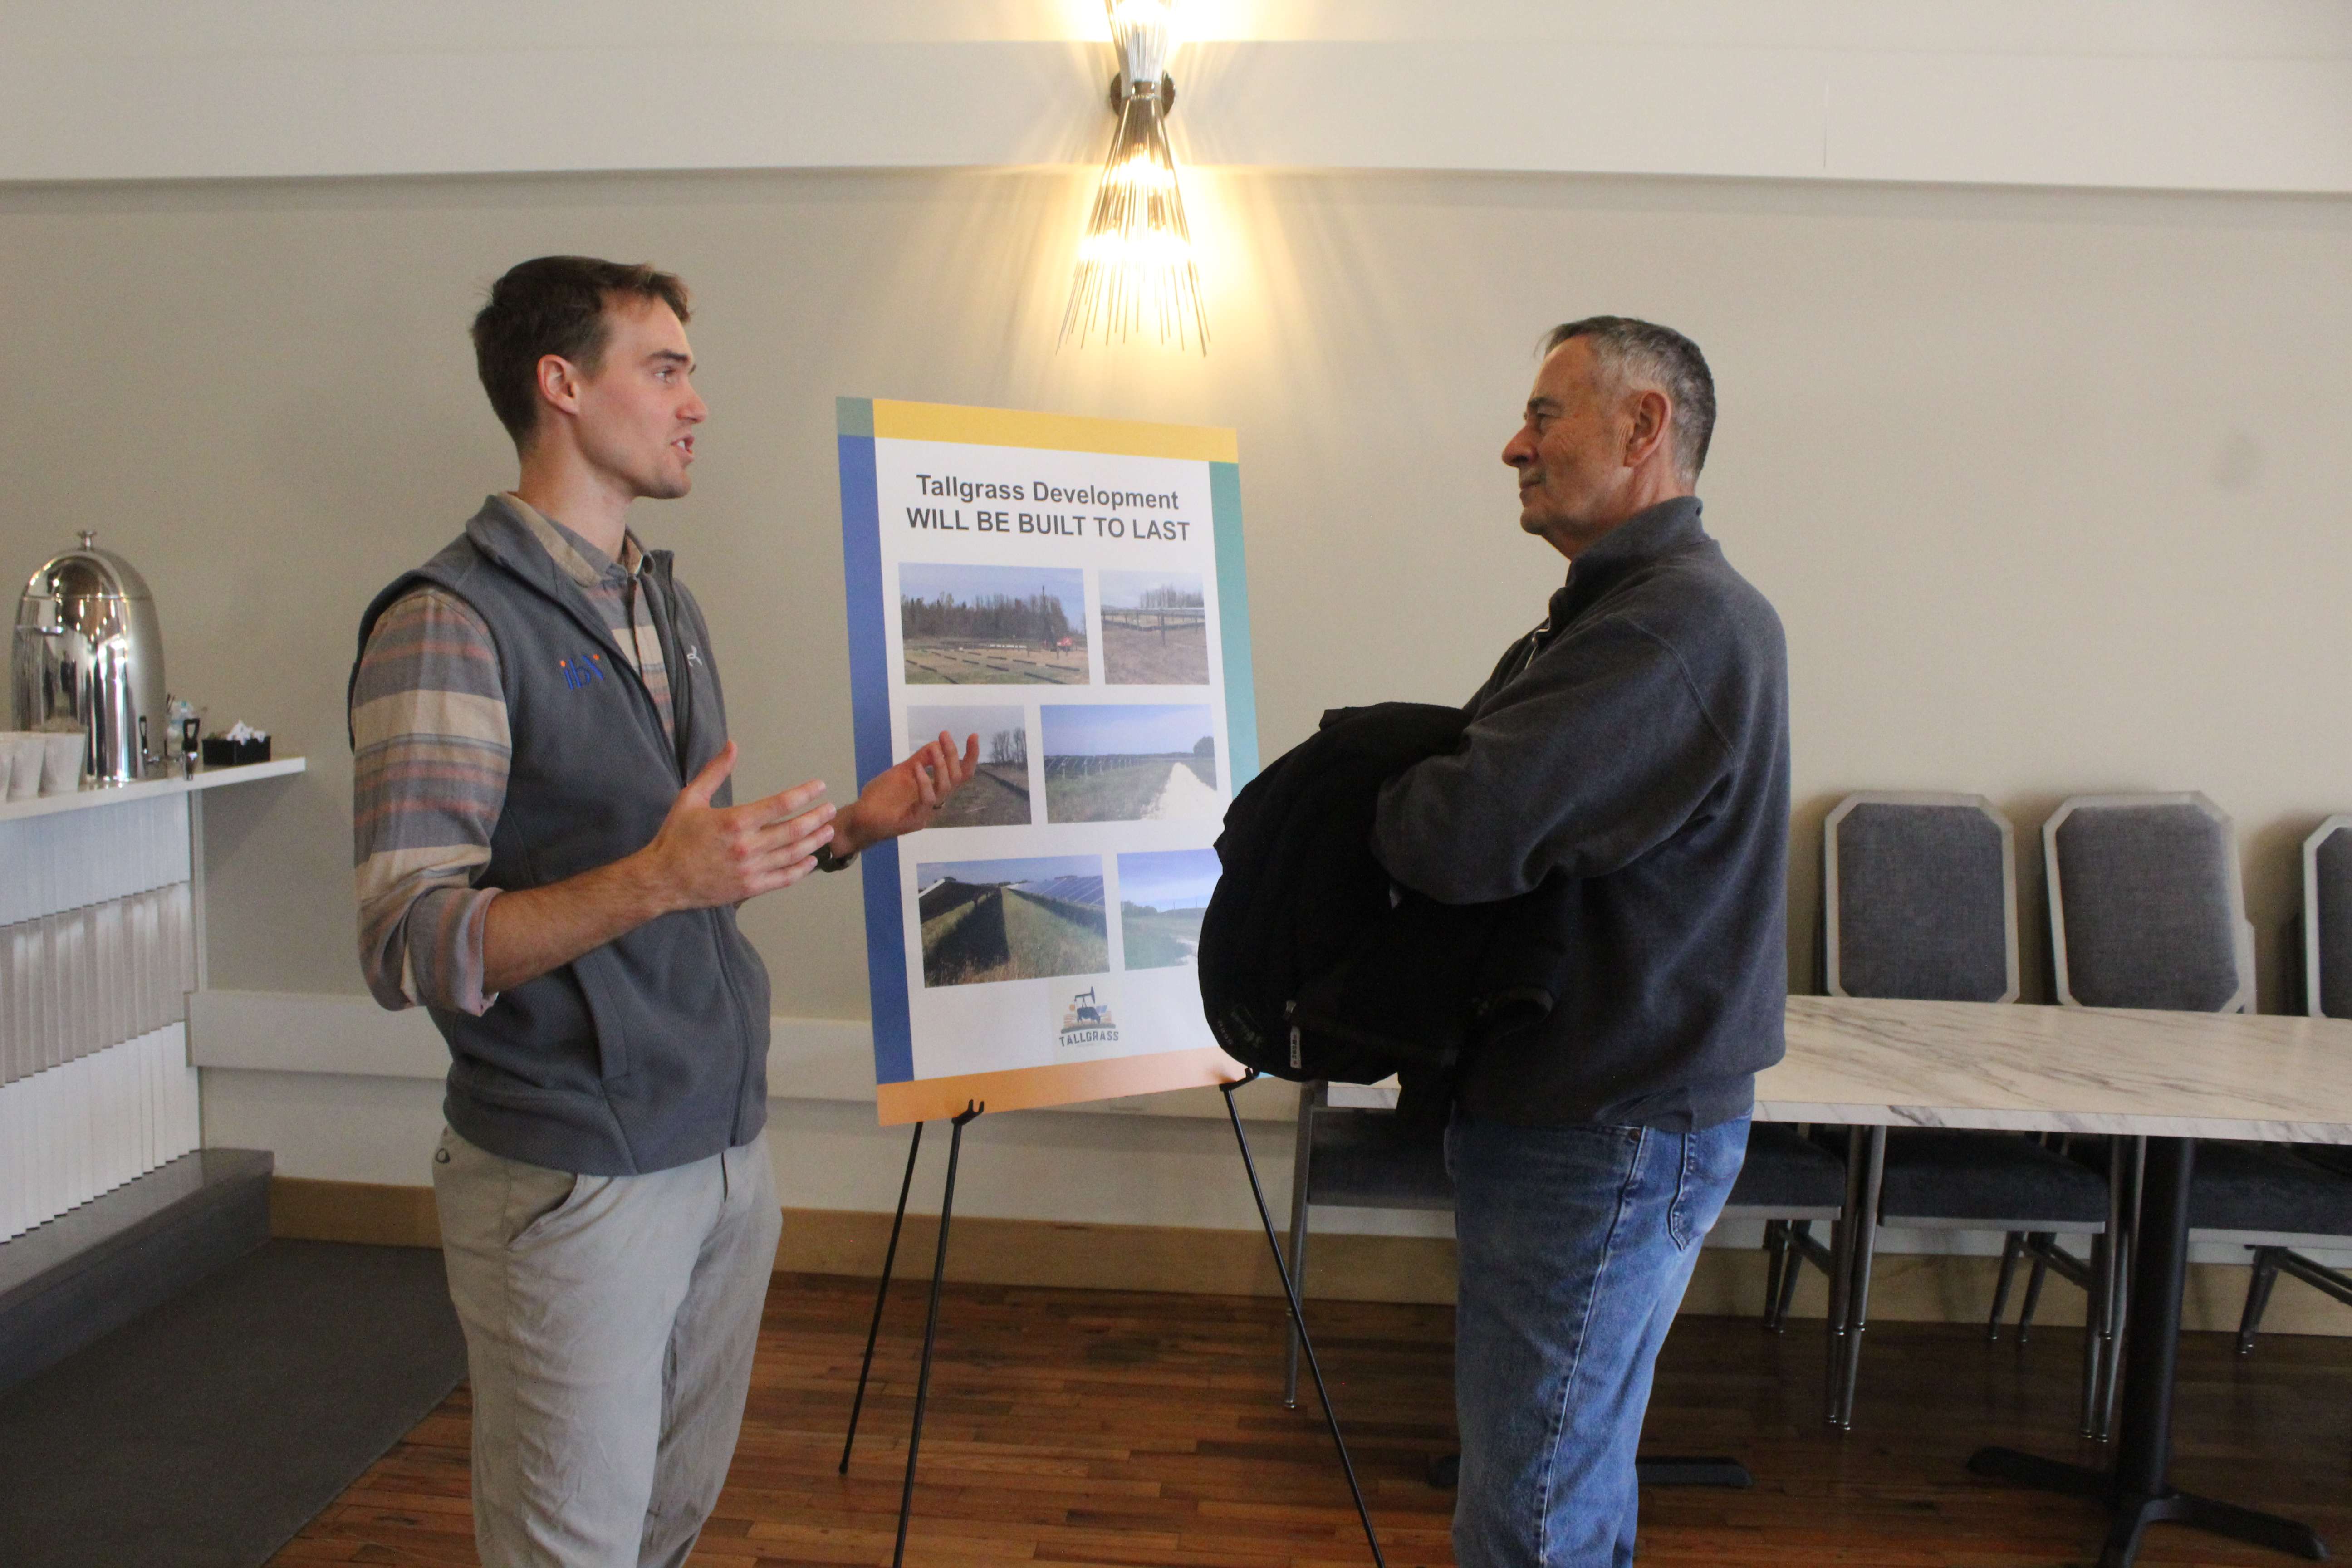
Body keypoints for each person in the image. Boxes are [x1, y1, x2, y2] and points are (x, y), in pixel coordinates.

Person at [348, 255, 975, 1568]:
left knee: (665, 1527)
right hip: (570, 1177)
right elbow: (413, 941)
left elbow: (703, 863)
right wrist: (660, 877)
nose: (697, 404)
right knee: (569, 1547)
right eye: (667, 368)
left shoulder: (661, 602)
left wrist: (859, 826)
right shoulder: (448, 624)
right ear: (561, 385)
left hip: (721, 1151)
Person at [1372, 318, 1789, 1568]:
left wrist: (1378, 793)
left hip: (1601, 1126)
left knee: (1532, 1511)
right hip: (1605, 1114)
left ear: (1644, 426)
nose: (1517, 444)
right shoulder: (1634, 620)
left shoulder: (1671, 630)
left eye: (1547, 415)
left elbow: (1457, 831)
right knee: (1566, 1481)